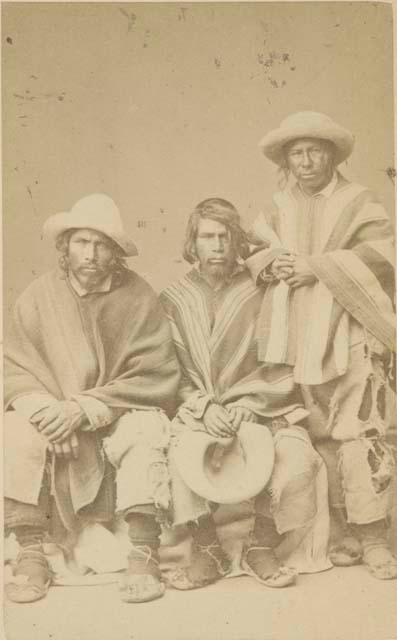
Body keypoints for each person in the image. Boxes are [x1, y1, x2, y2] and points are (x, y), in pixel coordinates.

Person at [4, 193, 180, 604]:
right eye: (82, 242)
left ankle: (142, 548)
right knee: (13, 428)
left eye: (102, 245)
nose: (91, 254)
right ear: (65, 247)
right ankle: (32, 549)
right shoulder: (38, 295)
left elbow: (156, 372)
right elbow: (14, 366)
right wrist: (50, 412)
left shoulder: (139, 296)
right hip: (53, 413)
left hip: (113, 412)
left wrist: (81, 410)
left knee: (146, 426)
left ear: (116, 253)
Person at [246, 111, 397, 580]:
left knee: (361, 430)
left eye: (315, 151)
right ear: (286, 160)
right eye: (297, 153)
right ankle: (340, 535)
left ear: (331, 155)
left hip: (351, 333)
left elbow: (384, 256)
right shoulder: (275, 207)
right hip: (293, 337)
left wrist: (318, 268)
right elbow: (253, 253)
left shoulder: (359, 201)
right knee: (316, 435)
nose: (306, 161)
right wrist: (272, 263)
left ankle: (373, 537)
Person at [160, 197, 330, 591]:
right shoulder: (172, 299)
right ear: (193, 242)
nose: (217, 245)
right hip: (197, 408)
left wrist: (250, 405)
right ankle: (207, 549)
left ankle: (261, 545)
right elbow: (167, 369)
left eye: (225, 236)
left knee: (295, 453)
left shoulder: (265, 293)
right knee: (178, 452)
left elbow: (283, 362)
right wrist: (201, 406)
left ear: (238, 241)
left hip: (262, 407)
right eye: (207, 237)